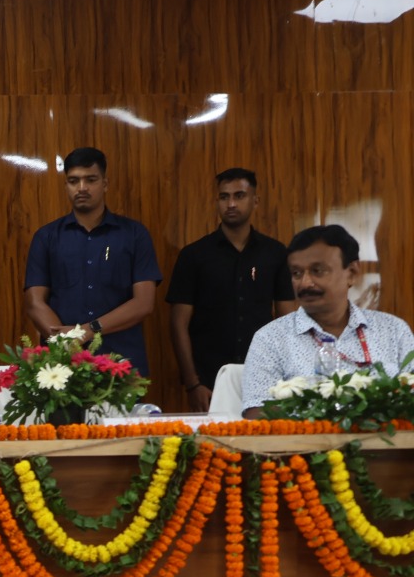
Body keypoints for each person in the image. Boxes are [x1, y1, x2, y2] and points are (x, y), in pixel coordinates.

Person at [241, 225, 414, 417]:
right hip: (305, 438)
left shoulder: (394, 330)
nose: (305, 283)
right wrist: (323, 419)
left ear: (352, 273)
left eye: (317, 270)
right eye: (296, 273)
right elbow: (256, 412)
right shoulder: (270, 338)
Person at [166, 168, 298, 411]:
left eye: (239, 195)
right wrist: (193, 383)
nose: (231, 204)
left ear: (255, 201)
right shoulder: (194, 255)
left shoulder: (275, 253)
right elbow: (178, 324)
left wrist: (288, 376)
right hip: (208, 380)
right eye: (224, 197)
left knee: (264, 435)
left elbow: (287, 320)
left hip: (266, 376)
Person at [24, 147, 161, 375]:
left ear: (105, 184)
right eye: (73, 181)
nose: (82, 188)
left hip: (120, 363)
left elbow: (143, 303)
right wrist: (66, 342)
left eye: (91, 180)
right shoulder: (46, 237)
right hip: (62, 367)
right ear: (66, 185)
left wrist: (89, 330)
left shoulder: (134, 234)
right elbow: (34, 302)